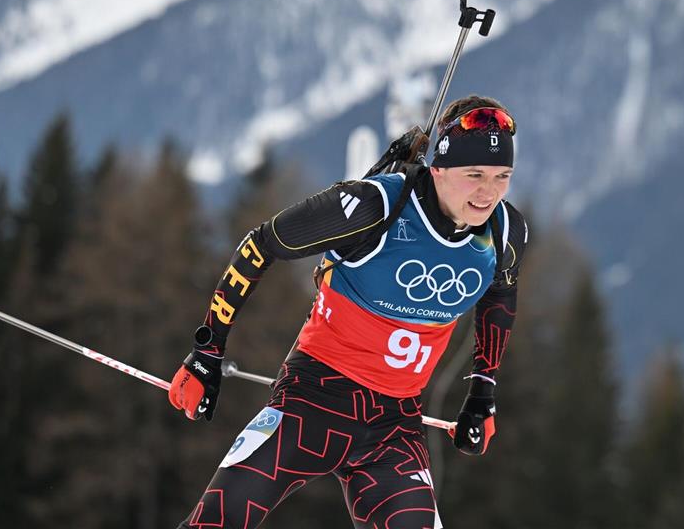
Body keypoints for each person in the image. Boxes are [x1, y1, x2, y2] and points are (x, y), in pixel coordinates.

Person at [168, 95, 529, 529]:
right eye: (475, 175)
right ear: (438, 168)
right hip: (313, 401)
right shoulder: (376, 207)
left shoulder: (505, 232)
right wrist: (207, 350)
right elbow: (260, 245)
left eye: (501, 176)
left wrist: (483, 392)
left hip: (395, 426)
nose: (488, 192)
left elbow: (499, 294)